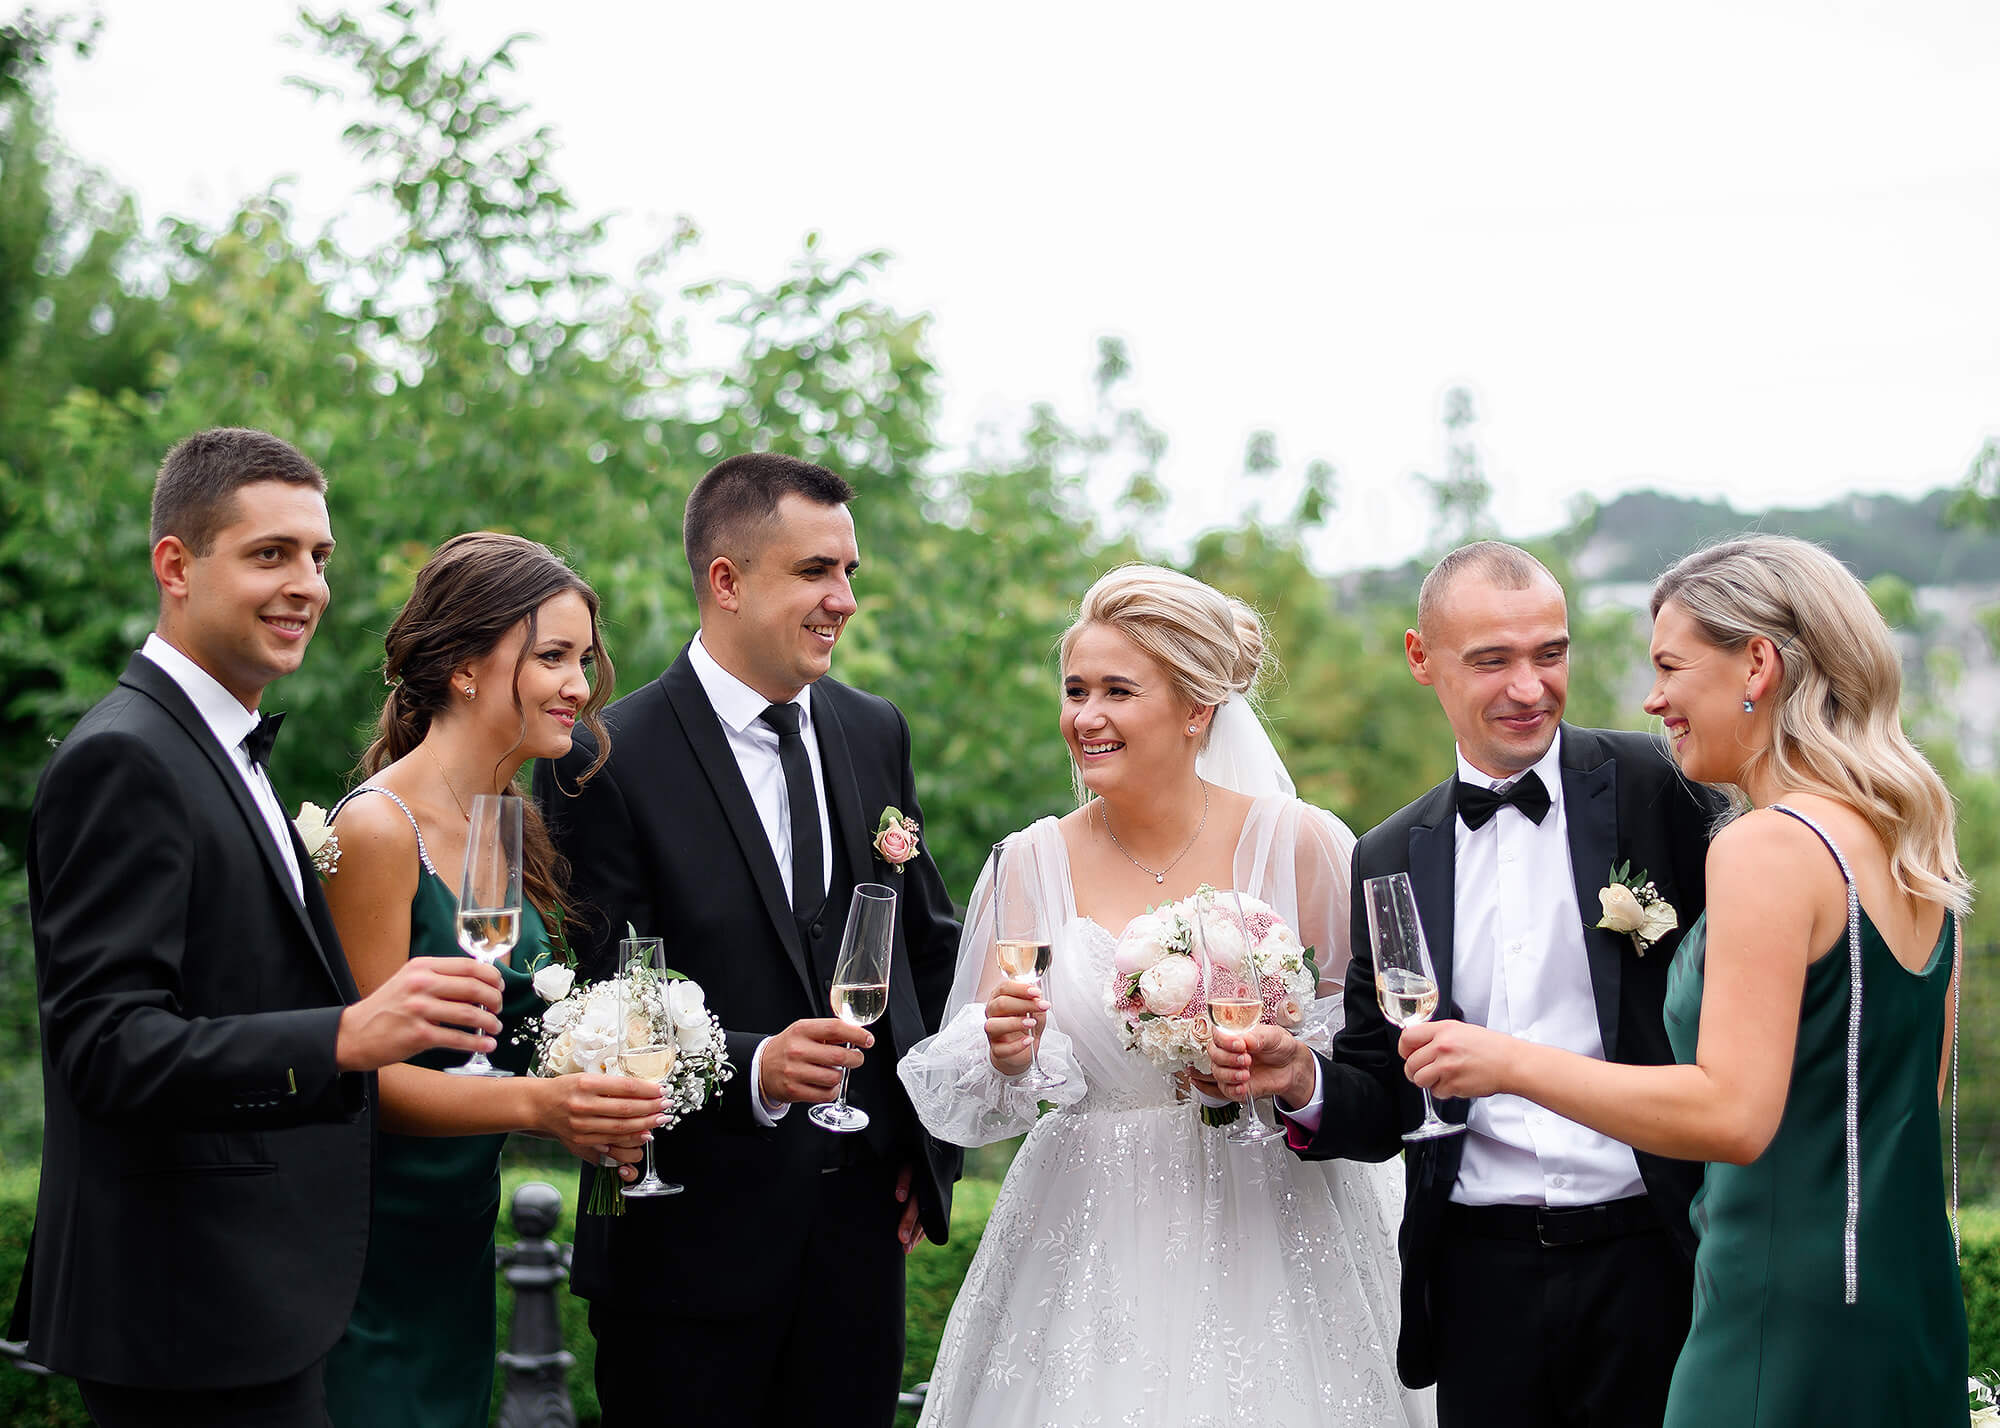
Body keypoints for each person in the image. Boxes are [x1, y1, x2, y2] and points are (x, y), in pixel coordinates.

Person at [1391, 535, 1970, 1424]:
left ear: (1759, 664)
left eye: (1669, 667)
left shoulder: (1767, 844)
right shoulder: (1906, 834)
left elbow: (1732, 1116)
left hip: (1775, 1303)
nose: (1653, 698)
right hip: (1899, 1294)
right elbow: (1903, 1099)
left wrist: (1506, 1063)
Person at [10, 428, 505, 1427]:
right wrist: (344, 1034)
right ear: (175, 566)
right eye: (270, 554)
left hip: (251, 1303)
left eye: (318, 558)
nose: (306, 587)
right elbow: (106, 1047)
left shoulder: (217, 746)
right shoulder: (128, 758)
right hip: (187, 1312)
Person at [898, 563, 1433, 1427]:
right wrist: (1005, 1050)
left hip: (1280, 1213)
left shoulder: (1302, 845)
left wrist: (1287, 1064)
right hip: (1091, 1223)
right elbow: (978, 1081)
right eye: (1075, 690)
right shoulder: (1027, 862)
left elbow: (1370, 1053)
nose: (1087, 716)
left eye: (1117, 690)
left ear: (1196, 710)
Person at [1211, 540, 1722, 1428]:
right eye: (1493, 660)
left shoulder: (1659, 786)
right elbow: (1384, 1100)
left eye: (1550, 655)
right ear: (1422, 659)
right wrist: (1301, 1079)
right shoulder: (1388, 854)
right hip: (1480, 1279)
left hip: (1656, 1254)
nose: (1529, 688)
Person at [534, 452, 962, 1428]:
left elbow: (924, 948)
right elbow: (594, 998)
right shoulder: (596, 758)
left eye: (848, 571)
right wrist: (755, 1067)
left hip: (856, 1250)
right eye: (815, 571)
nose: (842, 599)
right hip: (678, 1247)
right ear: (725, 581)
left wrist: (926, 1142)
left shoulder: (871, 730)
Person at [318, 533, 667, 1427]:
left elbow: (505, 1040)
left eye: (584, 659)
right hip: (367, 1259)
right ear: (467, 667)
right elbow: (359, 1077)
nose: (580, 687)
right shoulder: (380, 830)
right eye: (552, 656)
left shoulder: (506, 821)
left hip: (457, 1248)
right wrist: (540, 1109)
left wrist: (595, 1092)